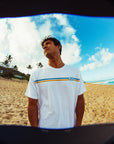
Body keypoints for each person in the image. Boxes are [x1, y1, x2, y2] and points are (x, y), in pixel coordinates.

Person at [25, 36, 86, 129]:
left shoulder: (75, 72)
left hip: (70, 128)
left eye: (48, 43)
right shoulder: (36, 74)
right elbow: (32, 104)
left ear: (58, 46)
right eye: (43, 46)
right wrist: (35, 130)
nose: (45, 47)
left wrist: (78, 125)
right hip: (45, 129)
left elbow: (80, 100)